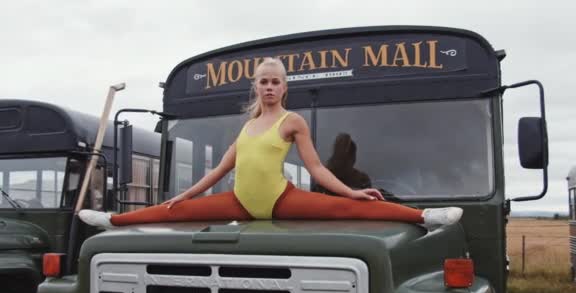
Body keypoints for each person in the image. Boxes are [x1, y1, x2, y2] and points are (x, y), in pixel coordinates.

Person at [79, 58, 462, 229]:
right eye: (263, 81)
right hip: (241, 202)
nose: (269, 86)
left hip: (281, 198)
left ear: (284, 87)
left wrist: (353, 192)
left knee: (350, 208)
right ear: (256, 86)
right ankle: (113, 220)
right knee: (171, 210)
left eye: (275, 81)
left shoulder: (290, 122)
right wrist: (186, 195)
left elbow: (315, 168)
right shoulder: (247, 127)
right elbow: (220, 170)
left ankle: (425, 217)